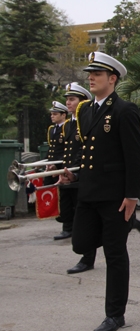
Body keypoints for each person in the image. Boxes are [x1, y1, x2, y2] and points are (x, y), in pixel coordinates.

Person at [60, 52, 140, 331]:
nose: (90, 77)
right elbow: (88, 153)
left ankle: (115, 315)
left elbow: (134, 157)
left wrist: (132, 195)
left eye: (97, 74)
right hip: (89, 191)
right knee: (81, 242)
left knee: (115, 254)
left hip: (115, 196)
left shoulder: (125, 110)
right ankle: (124, 228)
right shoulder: (85, 110)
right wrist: (75, 174)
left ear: (112, 78)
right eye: (90, 73)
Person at [58, 83, 99, 274]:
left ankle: (87, 258)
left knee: (86, 221)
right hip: (71, 175)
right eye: (67, 99)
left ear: (83, 102)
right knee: (75, 215)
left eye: (72, 99)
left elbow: (85, 150)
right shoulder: (69, 124)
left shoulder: (87, 121)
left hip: (83, 176)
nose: (68, 102)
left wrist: (76, 172)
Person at [46, 101, 68, 236]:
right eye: (51, 114)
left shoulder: (66, 127)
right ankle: (63, 222)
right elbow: (52, 149)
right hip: (53, 165)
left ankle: (67, 226)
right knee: (57, 195)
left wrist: (58, 165)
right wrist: (49, 163)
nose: (52, 116)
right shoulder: (52, 129)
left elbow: (66, 149)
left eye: (55, 114)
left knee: (65, 197)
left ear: (63, 115)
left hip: (62, 165)